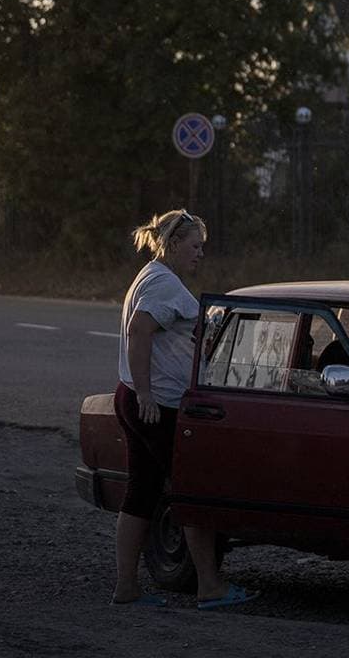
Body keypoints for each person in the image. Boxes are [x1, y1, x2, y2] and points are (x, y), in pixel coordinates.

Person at [112, 209, 251, 609]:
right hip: (159, 407)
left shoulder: (152, 276)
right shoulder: (163, 284)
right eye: (194, 246)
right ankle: (210, 586)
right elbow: (139, 332)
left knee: (142, 491)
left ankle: (126, 588)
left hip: (140, 400)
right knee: (191, 490)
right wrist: (146, 395)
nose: (200, 254)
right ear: (173, 244)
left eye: (202, 247)